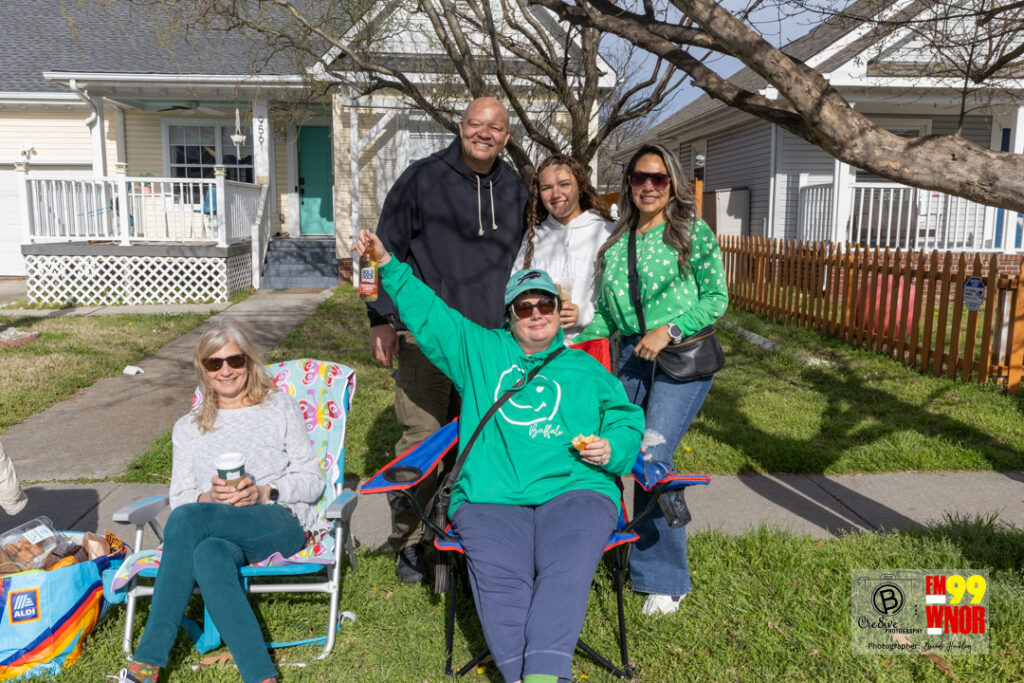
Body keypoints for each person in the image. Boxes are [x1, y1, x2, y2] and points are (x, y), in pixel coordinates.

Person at [355, 230, 644, 683]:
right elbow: (430, 314)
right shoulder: (480, 351)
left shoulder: (587, 368)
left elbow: (626, 420)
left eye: (545, 305)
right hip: (491, 493)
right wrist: (388, 264)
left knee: (565, 570)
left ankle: (542, 674)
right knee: (502, 581)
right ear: (510, 317)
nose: (536, 314)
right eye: (524, 308)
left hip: (577, 488)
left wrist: (613, 447)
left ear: (558, 312)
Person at [366, 97, 528, 583]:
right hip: (426, 340)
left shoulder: (516, 190)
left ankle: (461, 535)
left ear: (506, 137)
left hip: (490, 343)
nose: (484, 133)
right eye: (476, 124)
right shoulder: (422, 179)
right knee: (422, 439)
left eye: (495, 128)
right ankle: (410, 540)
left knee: (480, 443)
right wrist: (380, 318)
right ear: (460, 127)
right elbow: (382, 249)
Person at [110, 322, 323, 683]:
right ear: (204, 370)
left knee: (186, 521)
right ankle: (262, 676)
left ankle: (146, 664)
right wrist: (208, 497)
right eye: (214, 363)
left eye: (235, 360)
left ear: (249, 362)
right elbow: (181, 497)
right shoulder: (188, 428)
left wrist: (265, 492)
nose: (226, 370)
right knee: (207, 554)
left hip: (276, 521)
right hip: (217, 529)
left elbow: (313, 479)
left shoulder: (278, 407)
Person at [576, 143, 728, 617]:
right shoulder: (618, 240)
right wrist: (567, 341)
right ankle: (604, 545)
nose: (648, 186)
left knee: (651, 457)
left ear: (672, 184)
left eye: (657, 178)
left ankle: (665, 579)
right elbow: (608, 314)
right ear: (628, 184)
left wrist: (669, 331)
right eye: (639, 178)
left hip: (682, 357)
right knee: (609, 450)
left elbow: (716, 298)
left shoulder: (691, 233)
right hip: (632, 357)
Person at [512, 153, 615, 341]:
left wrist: (584, 313)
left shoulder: (606, 232)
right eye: (546, 188)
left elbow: (620, 295)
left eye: (564, 184)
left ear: (581, 187)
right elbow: (516, 288)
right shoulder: (534, 235)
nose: (556, 194)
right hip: (541, 347)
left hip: (588, 344)